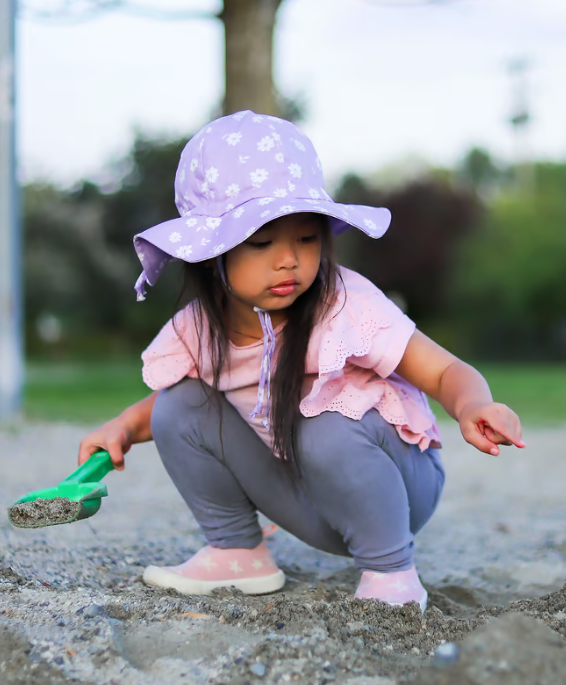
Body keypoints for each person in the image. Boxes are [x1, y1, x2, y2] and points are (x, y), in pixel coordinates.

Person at [78, 110, 524, 611]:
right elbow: (168, 409)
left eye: (307, 239)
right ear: (210, 252)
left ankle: (390, 573)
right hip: (303, 494)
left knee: (324, 420)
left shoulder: (345, 304)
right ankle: (236, 551)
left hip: (397, 489)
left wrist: (472, 406)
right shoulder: (198, 329)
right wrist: (120, 428)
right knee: (179, 402)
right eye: (263, 242)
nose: (288, 259)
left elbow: (444, 370)